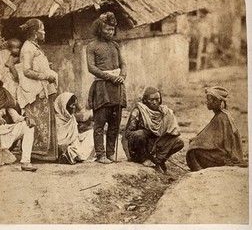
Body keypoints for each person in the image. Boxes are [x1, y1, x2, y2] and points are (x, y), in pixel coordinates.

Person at [86, 12, 127, 164]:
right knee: (100, 123)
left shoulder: (115, 45)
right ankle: (100, 154)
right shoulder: (92, 46)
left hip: (117, 88)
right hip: (102, 88)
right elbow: (91, 68)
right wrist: (110, 77)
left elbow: (123, 63)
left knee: (115, 123)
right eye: (107, 29)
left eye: (112, 29)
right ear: (99, 29)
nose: (110, 32)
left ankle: (110, 153)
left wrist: (123, 74)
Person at [16, 18, 58, 161]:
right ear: (35, 32)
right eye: (42, 29)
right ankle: (36, 154)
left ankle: (46, 154)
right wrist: (45, 75)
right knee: (37, 123)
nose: (44, 32)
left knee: (44, 122)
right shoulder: (27, 48)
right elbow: (27, 70)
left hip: (41, 88)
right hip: (33, 90)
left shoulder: (34, 47)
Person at [124, 87, 184, 172]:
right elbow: (128, 133)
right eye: (151, 100)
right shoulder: (138, 111)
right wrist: (147, 132)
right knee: (140, 134)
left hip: (156, 145)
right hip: (140, 148)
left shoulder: (164, 112)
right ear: (145, 100)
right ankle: (144, 159)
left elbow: (173, 131)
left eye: (157, 99)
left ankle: (159, 160)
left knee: (179, 142)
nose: (155, 102)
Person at [186, 86, 246, 172]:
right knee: (194, 145)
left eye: (209, 99)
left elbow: (217, 142)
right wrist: (197, 140)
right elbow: (210, 135)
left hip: (226, 156)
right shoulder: (220, 115)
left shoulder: (222, 117)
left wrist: (197, 142)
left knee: (194, 151)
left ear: (216, 102)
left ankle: (199, 173)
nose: (206, 101)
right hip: (224, 152)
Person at [55, 92, 94, 164]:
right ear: (64, 106)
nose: (74, 107)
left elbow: (75, 135)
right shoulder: (56, 120)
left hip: (73, 143)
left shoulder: (71, 118)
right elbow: (59, 140)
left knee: (91, 133)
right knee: (73, 148)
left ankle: (72, 154)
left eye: (75, 105)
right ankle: (71, 154)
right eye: (72, 105)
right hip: (64, 145)